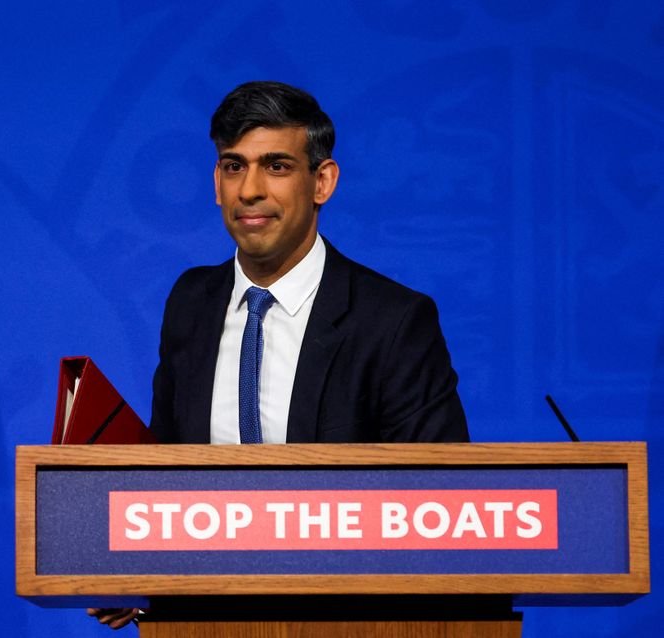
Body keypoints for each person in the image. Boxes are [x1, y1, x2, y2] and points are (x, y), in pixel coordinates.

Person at [89, 80, 469, 630]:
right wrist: (130, 566)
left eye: (277, 166)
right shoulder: (190, 302)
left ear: (322, 181)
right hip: (197, 621)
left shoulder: (393, 320)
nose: (250, 190)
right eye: (233, 166)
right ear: (216, 183)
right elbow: (166, 468)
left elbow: (441, 506)